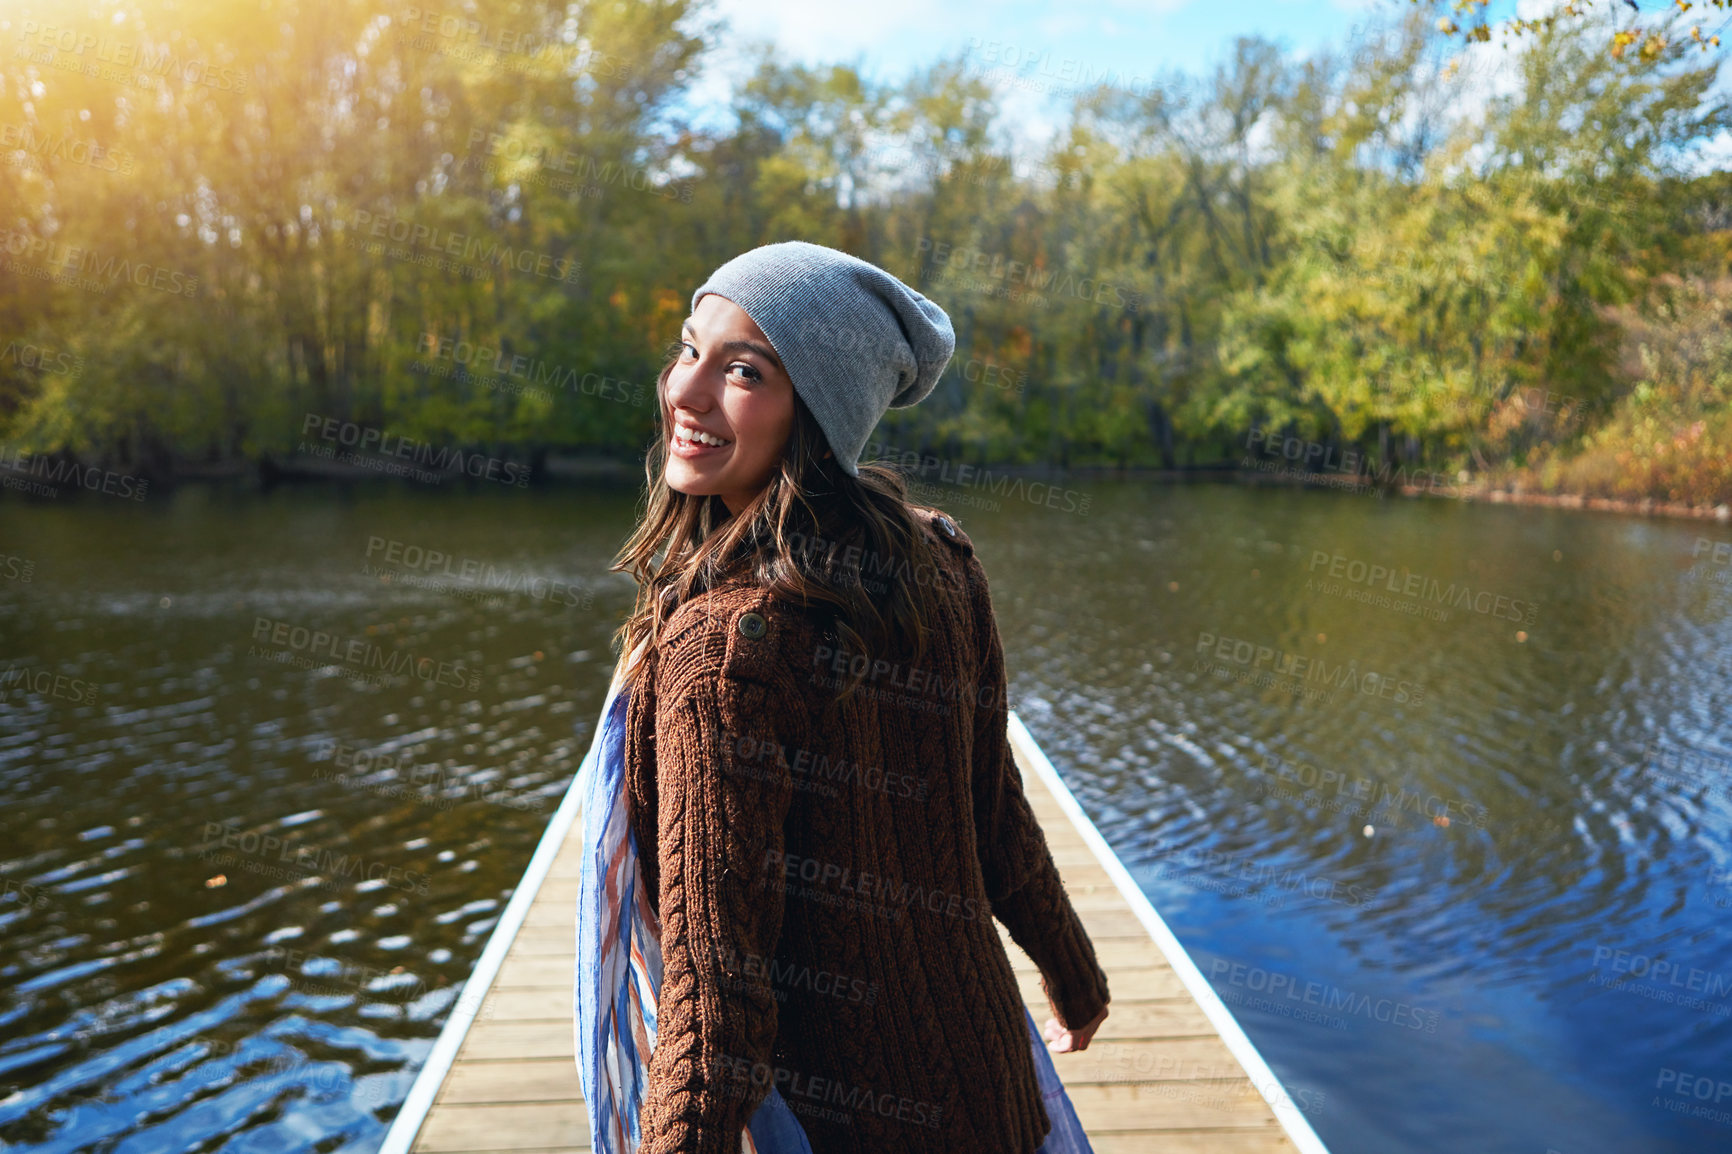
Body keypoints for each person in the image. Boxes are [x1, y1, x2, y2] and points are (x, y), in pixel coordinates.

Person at [574, 240, 1109, 1154]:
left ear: (819, 413)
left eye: (743, 370)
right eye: (688, 348)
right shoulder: (938, 560)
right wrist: (1074, 973)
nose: (684, 392)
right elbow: (993, 813)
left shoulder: (722, 653)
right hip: (987, 1083)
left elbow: (715, 1000)